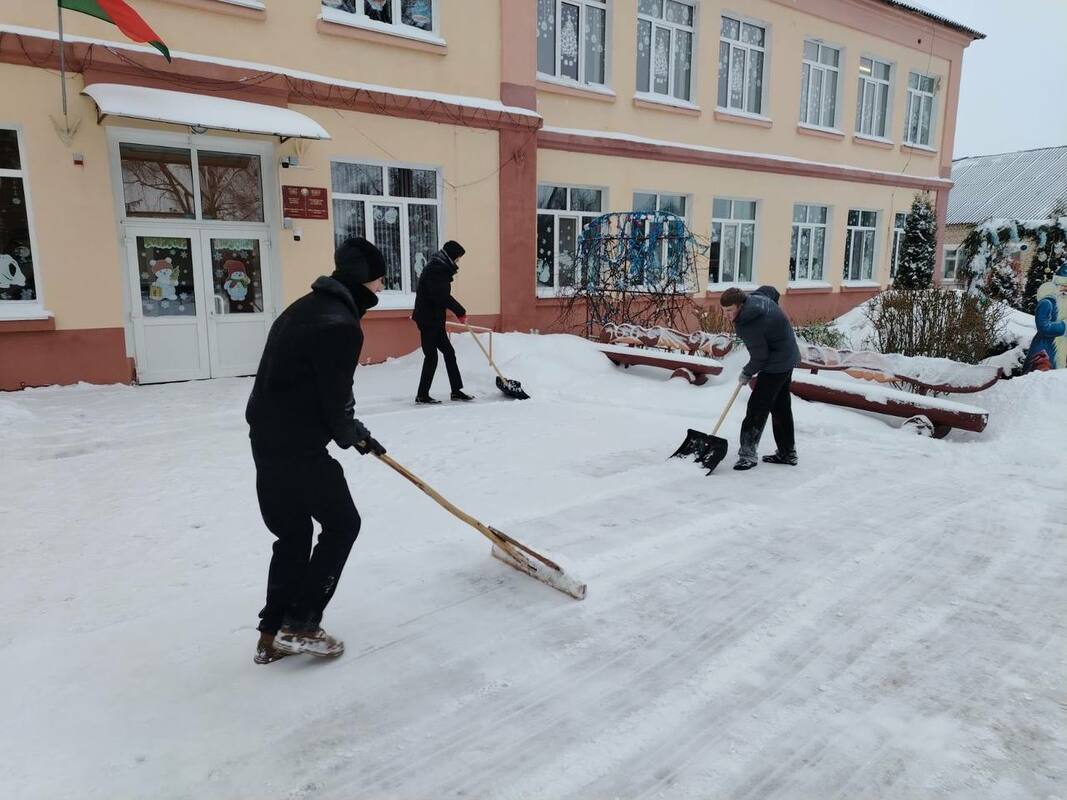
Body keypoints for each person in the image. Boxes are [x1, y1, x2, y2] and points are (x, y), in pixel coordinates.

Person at [245, 236, 388, 665]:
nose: (382, 287)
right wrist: (355, 436)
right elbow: (335, 401)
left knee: (292, 536)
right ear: (365, 280)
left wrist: (352, 432)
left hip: (266, 440)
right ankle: (302, 625)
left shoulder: (303, 308)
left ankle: (272, 635)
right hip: (299, 447)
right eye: (380, 279)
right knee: (343, 524)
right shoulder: (340, 325)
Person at [719, 285, 802, 471]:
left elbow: (760, 358)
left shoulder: (748, 325)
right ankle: (787, 453)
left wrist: (746, 373)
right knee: (780, 406)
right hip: (789, 356)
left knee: (757, 408)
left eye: (730, 310)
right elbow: (771, 290)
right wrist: (775, 323)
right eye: (723, 310)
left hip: (776, 364)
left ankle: (747, 456)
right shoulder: (757, 299)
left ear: (741, 305)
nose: (726, 315)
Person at [412, 240, 472, 404]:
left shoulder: (440, 268)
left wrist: (458, 312)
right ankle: (422, 395)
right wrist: (460, 311)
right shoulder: (436, 270)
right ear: (451, 256)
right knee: (431, 357)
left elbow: (441, 296)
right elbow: (441, 296)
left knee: (448, 352)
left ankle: (456, 391)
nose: (458, 261)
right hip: (428, 320)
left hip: (435, 319)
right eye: (458, 258)